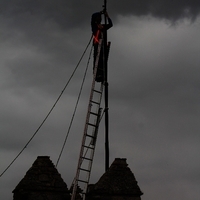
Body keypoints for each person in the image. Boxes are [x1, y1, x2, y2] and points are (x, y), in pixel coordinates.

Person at [91, 10, 113, 82]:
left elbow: (110, 24)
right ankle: (97, 75)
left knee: (102, 60)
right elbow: (93, 17)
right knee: (97, 60)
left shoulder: (103, 26)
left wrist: (107, 16)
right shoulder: (94, 26)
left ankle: (102, 75)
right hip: (97, 45)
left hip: (102, 46)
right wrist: (100, 12)